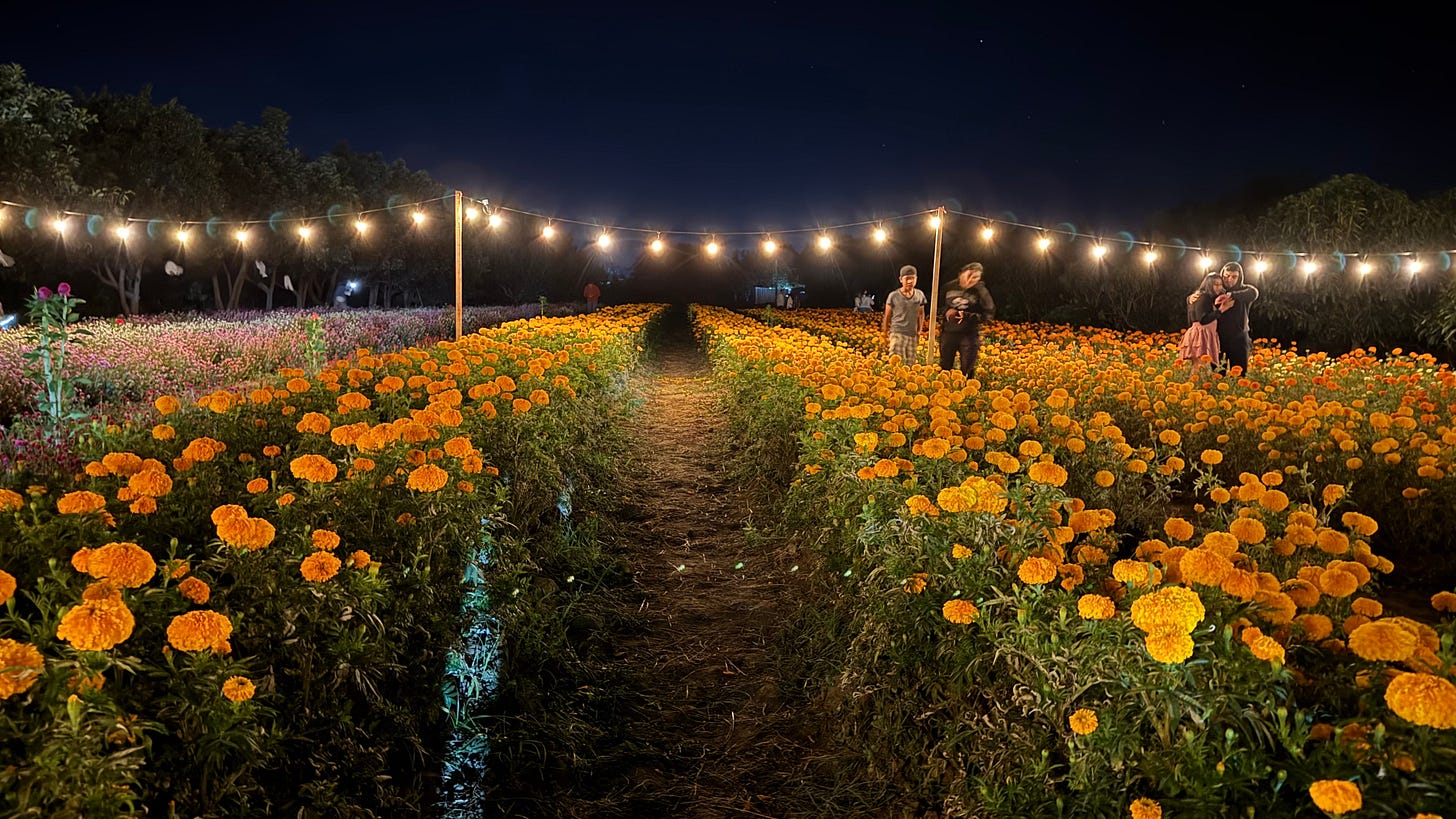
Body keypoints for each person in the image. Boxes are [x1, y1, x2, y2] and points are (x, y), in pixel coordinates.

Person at [939, 262, 995, 379]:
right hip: (948, 333)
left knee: (967, 371)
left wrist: (967, 315)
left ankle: (966, 393)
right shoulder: (948, 287)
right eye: (969, 275)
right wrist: (947, 311)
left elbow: (988, 314)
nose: (971, 279)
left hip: (969, 335)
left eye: (975, 277)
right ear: (961, 273)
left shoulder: (981, 292)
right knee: (944, 369)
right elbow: (937, 307)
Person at [1213, 261, 1259, 375]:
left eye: (1234, 277)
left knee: (1240, 375)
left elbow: (1254, 293)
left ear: (1240, 277)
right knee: (1218, 375)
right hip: (1219, 338)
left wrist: (1231, 295)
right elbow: (1202, 293)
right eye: (1226, 276)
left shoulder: (1246, 290)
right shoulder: (1217, 289)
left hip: (1239, 339)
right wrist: (1191, 298)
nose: (1230, 280)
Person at [1178, 272, 1224, 378]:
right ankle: (1195, 390)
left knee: (1199, 367)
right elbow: (1202, 319)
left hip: (1201, 333)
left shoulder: (1202, 297)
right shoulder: (1203, 297)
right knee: (1200, 366)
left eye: (1220, 284)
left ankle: (1196, 389)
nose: (1219, 287)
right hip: (1201, 334)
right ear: (1208, 285)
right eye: (1216, 284)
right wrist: (1220, 310)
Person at [882, 265, 927, 363]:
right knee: (896, 363)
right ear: (901, 279)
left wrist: (919, 331)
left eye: (912, 278)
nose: (910, 281)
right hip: (897, 333)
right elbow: (887, 315)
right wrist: (885, 333)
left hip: (912, 334)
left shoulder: (920, 295)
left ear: (916, 279)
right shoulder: (893, 295)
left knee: (910, 363)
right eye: (907, 279)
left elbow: (921, 314)